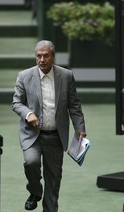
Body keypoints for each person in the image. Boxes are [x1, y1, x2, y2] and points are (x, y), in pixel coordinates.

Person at [12, 40, 87, 211]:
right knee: (31, 163)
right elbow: (16, 103)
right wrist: (28, 114)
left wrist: (80, 128)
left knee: (53, 179)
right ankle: (35, 192)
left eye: (46, 56)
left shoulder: (66, 76)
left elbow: (74, 105)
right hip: (32, 134)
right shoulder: (24, 76)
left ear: (53, 56)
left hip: (56, 135)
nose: (42, 60)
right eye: (39, 56)